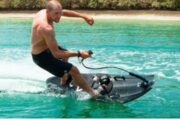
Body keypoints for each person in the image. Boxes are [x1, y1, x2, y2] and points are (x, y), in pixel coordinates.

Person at [31, 0, 97, 97]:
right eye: (56, 14)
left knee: (66, 53)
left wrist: (84, 16)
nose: (59, 16)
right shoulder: (46, 28)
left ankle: (63, 77)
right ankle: (93, 93)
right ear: (48, 12)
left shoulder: (43, 12)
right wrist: (79, 53)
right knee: (74, 70)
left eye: (59, 13)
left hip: (46, 48)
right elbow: (56, 54)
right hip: (41, 57)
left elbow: (64, 12)